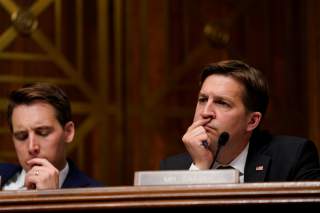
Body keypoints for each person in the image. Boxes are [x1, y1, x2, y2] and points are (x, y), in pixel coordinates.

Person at [160, 60, 320, 182]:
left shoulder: (293, 158)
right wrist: (199, 171)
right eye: (202, 99)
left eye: (222, 103)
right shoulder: (174, 169)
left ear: (252, 121)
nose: (205, 112)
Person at [0, 82, 103, 190]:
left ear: (68, 132)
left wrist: (51, 200)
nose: (32, 147)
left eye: (43, 133)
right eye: (21, 136)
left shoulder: (96, 195)